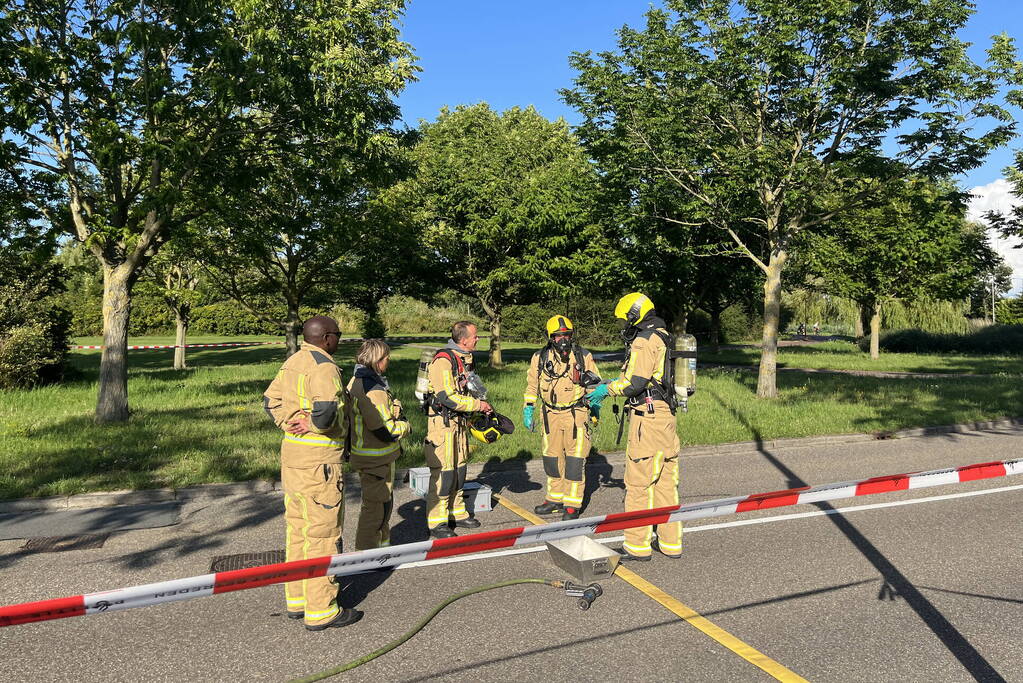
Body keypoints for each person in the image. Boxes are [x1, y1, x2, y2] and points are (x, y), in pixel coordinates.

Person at [262, 316, 362, 631]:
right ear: (328, 338)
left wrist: (287, 423)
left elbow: (270, 400)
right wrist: (315, 424)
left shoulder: (293, 361)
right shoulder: (323, 366)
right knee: (323, 534)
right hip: (320, 461)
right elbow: (328, 409)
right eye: (339, 335)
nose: (340, 340)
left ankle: (298, 599)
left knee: (298, 531)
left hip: (293, 458)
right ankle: (321, 609)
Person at [588, 293, 682, 562]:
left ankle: (636, 545)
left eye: (624, 319)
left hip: (647, 419)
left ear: (634, 315)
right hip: (666, 418)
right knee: (666, 483)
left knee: (639, 483)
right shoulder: (665, 335)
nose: (623, 325)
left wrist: (605, 391)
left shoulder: (644, 340)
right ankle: (670, 543)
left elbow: (634, 384)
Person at [523, 315, 601, 520]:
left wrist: (595, 408)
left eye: (567, 335)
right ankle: (555, 498)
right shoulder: (539, 358)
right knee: (552, 459)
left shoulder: (583, 357)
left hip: (575, 414)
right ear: (550, 338)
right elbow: (532, 386)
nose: (563, 340)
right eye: (558, 336)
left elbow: (595, 386)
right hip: (549, 415)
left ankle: (572, 504)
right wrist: (529, 408)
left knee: (575, 462)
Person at [422, 321, 492, 538]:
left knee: (459, 469)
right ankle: (437, 521)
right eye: (475, 336)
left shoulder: (464, 359)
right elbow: (447, 396)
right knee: (444, 472)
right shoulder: (443, 361)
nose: (477, 339)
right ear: (463, 340)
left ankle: (457, 512)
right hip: (442, 425)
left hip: (459, 422)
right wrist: (477, 405)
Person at [346, 339, 411, 550]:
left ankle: (382, 548)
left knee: (382, 505)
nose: (388, 361)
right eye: (386, 358)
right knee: (375, 510)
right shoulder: (372, 388)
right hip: (375, 458)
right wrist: (406, 426)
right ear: (378, 360)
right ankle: (367, 555)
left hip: (372, 456)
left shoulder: (358, 379)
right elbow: (385, 429)